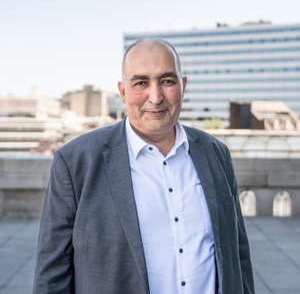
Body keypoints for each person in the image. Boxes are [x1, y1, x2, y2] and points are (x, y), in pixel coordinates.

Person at [33, 39, 255, 294]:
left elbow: (238, 254)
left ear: (183, 86)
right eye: (141, 83)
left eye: (167, 81)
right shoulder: (75, 162)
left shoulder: (215, 153)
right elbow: (52, 274)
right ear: (123, 91)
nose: (155, 96)